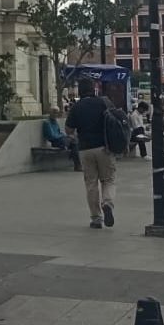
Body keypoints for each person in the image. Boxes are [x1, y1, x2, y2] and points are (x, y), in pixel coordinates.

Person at [65, 77, 117, 229]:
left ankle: (96, 218)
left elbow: (68, 129)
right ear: (94, 89)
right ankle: (107, 203)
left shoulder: (76, 107)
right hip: (104, 147)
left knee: (91, 183)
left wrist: (76, 135)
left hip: (85, 149)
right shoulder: (103, 102)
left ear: (80, 91)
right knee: (108, 180)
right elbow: (116, 121)